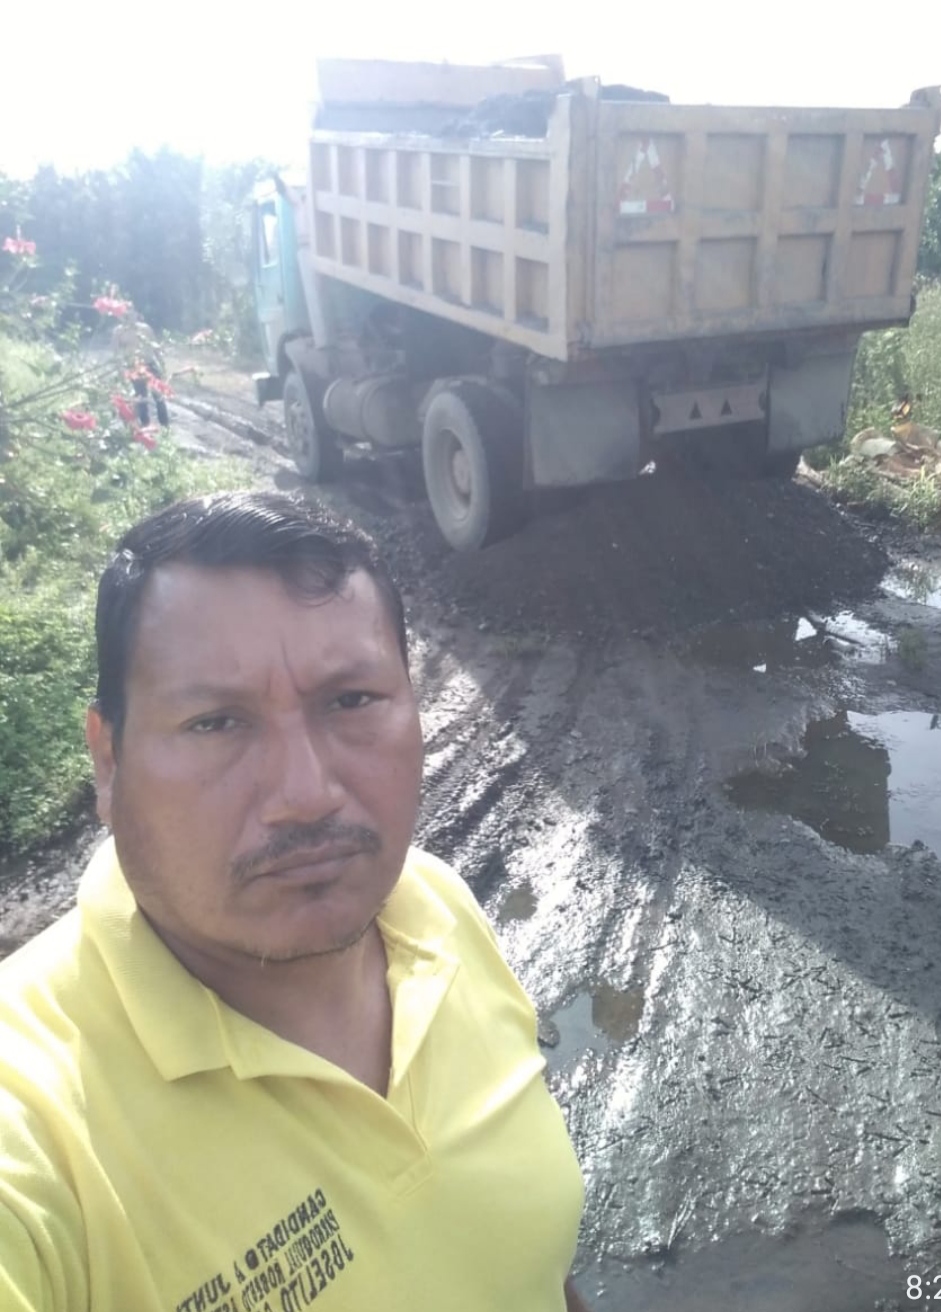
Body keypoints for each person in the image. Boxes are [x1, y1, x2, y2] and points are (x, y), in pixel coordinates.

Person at [0, 491, 588, 1312]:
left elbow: (527, 1256)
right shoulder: (35, 1125)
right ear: (108, 761)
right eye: (216, 723)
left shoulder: (434, 905)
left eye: (351, 701)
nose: (306, 794)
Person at [112, 308, 170, 428]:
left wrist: (162, 364)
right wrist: (120, 370)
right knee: (141, 397)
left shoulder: (145, 329)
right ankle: (145, 426)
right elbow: (116, 353)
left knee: (158, 395)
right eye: (127, 315)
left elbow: (155, 347)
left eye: (132, 314)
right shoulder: (118, 332)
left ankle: (165, 425)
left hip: (149, 364)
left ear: (137, 315)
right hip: (133, 367)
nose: (130, 317)